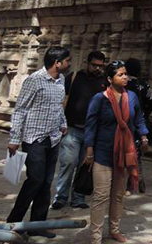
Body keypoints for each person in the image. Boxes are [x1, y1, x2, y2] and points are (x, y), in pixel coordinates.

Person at [7, 46, 72, 239]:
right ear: (57, 63)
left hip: (53, 138)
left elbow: (59, 107)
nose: (69, 64)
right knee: (35, 180)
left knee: (46, 182)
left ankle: (37, 224)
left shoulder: (61, 80)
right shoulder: (34, 80)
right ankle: (13, 222)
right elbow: (20, 110)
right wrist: (14, 139)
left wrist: (63, 123)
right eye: (67, 61)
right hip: (34, 138)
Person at [84, 61, 149, 244]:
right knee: (101, 196)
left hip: (124, 153)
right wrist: (89, 152)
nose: (125, 77)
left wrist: (144, 137)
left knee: (118, 195)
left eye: (125, 74)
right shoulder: (100, 98)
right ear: (110, 79)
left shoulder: (133, 97)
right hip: (103, 153)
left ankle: (114, 229)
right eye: (120, 74)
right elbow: (90, 125)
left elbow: (138, 120)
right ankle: (96, 236)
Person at [52, 50, 107, 210]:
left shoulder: (104, 82)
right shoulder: (74, 77)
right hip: (72, 128)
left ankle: (78, 196)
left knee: (85, 165)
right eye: (94, 65)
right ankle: (61, 196)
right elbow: (60, 98)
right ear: (87, 63)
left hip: (92, 132)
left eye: (100, 66)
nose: (97, 68)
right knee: (68, 162)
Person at [124, 58, 152, 194]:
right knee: (136, 152)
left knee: (125, 153)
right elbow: (151, 101)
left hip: (124, 122)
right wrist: (144, 114)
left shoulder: (122, 84)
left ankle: (129, 183)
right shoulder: (143, 84)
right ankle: (139, 179)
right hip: (139, 123)